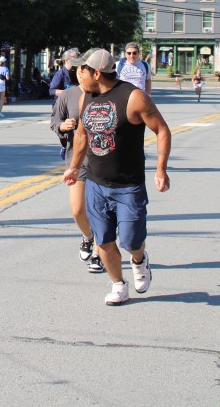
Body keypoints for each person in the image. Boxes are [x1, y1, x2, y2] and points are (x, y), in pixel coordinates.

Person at [63, 49, 172, 306]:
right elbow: (82, 135)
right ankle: (118, 284)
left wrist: (161, 169)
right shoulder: (86, 97)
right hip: (96, 184)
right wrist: (74, 167)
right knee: (104, 240)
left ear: (97, 73)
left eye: (82, 70)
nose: (78, 75)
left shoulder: (133, 97)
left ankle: (139, 259)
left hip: (128, 186)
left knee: (132, 241)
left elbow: (162, 130)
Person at [50, 49, 103, 273]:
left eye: (85, 70)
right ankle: (88, 236)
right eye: (79, 70)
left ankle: (99, 254)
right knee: (77, 209)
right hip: (77, 159)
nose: (81, 74)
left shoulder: (105, 94)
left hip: (102, 160)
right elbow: (55, 121)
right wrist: (62, 126)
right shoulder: (68, 95)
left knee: (99, 210)